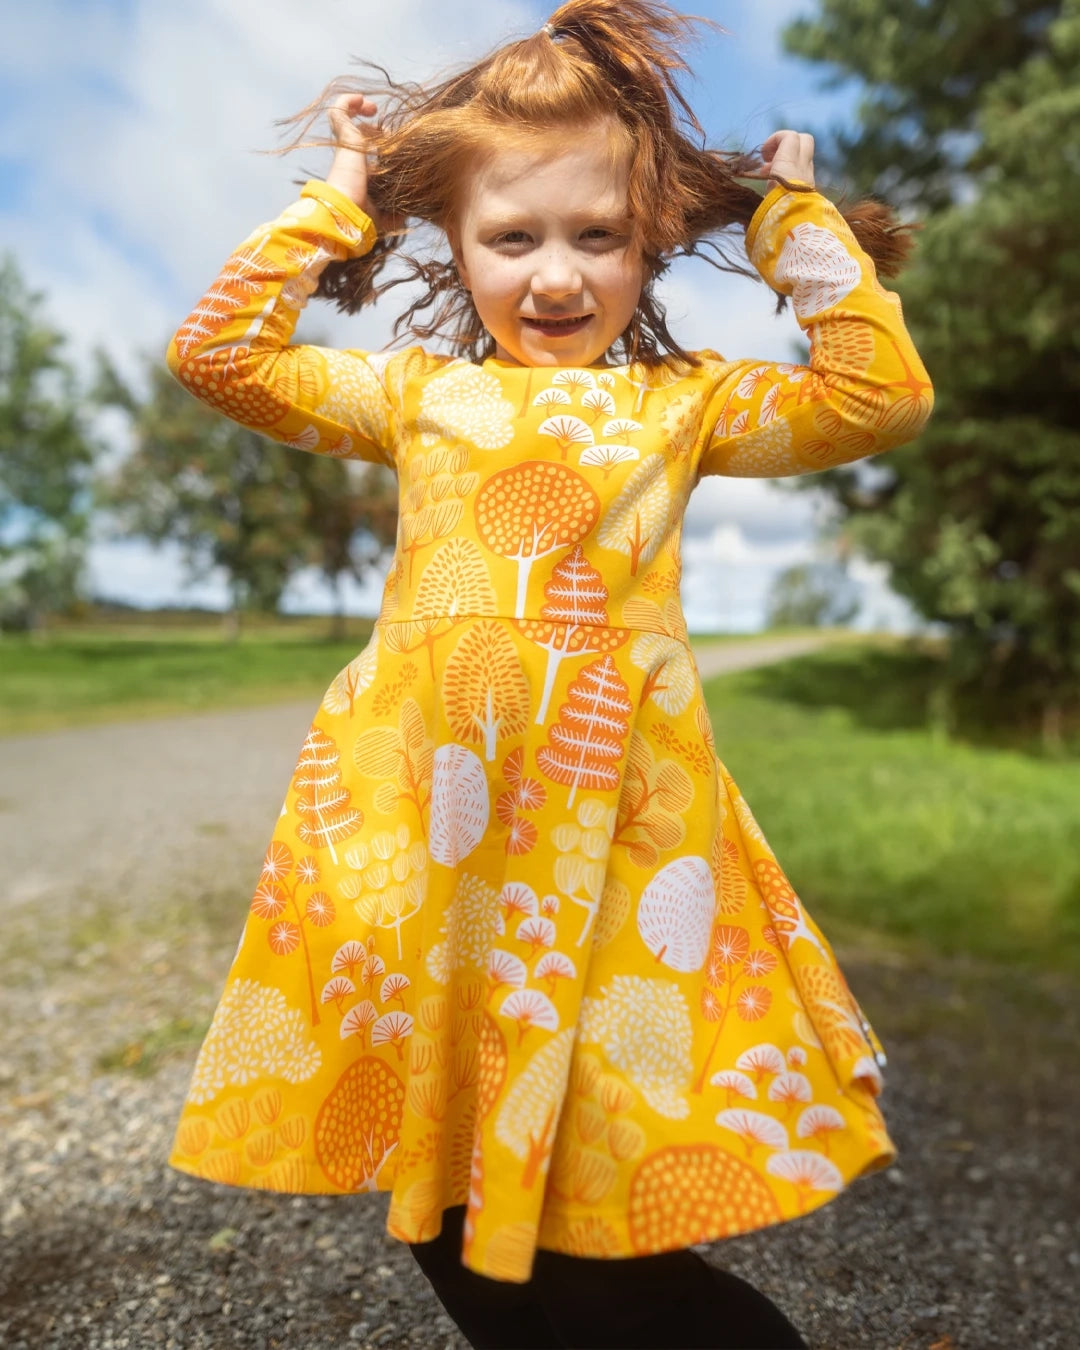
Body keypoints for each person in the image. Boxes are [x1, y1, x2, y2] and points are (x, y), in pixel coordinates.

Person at [164, 2, 933, 1345]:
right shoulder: (413, 395)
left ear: (651, 242)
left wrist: (791, 221)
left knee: (592, 1202)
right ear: (454, 244)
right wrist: (340, 194)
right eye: (512, 237)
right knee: (446, 1215)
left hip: (603, 858)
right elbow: (218, 352)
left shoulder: (682, 404)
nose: (558, 276)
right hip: (432, 852)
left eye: (600, 237)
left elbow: (879, 394)